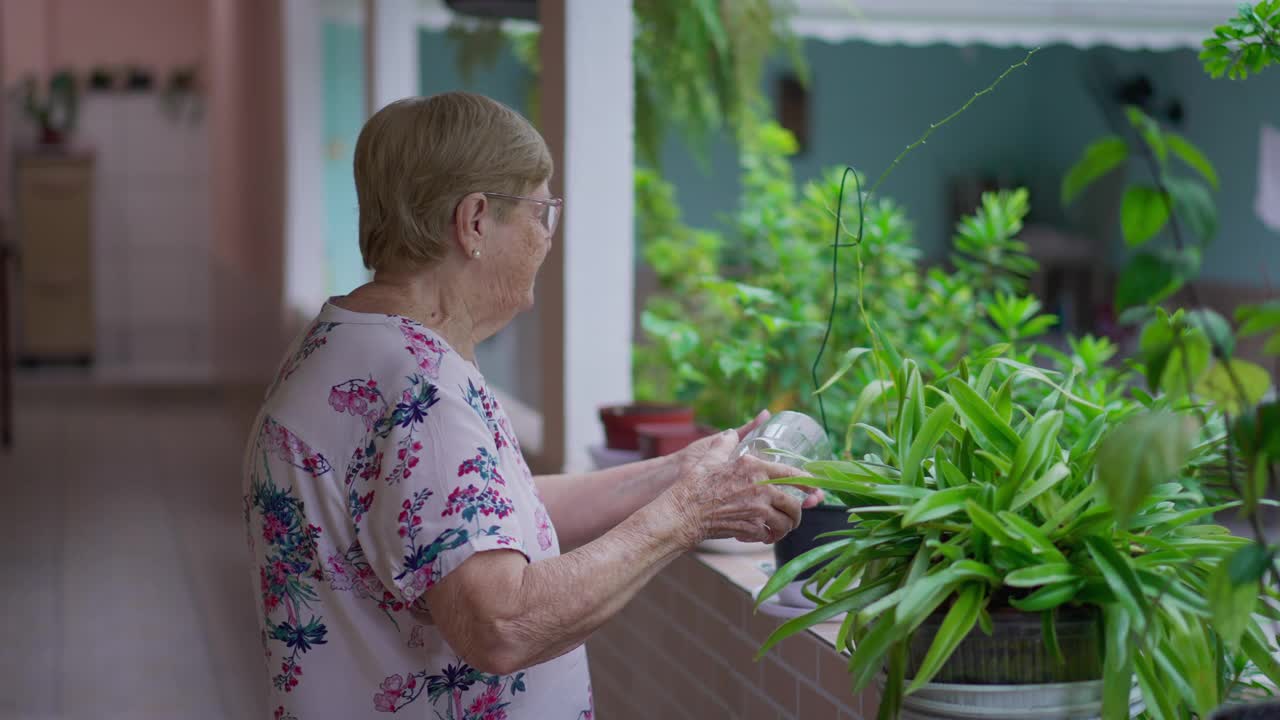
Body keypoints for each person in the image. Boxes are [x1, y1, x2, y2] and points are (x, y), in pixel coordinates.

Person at [241, 91, 820, 719]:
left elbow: (471, 524)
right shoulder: (419, 390)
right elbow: (501, 623)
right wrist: (686, 515)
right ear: (476, 221)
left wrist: (678, 473)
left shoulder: (348, 345)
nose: (547, 238)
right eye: (541, 211)